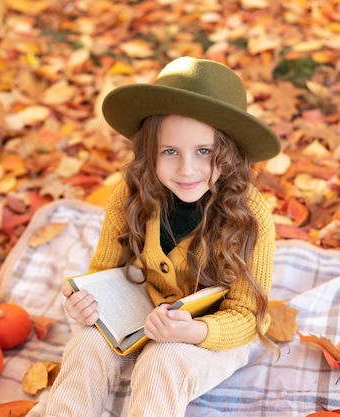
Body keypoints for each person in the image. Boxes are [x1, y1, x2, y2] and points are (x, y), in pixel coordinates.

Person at [45, 56, 281, 417]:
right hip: (142, 308)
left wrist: (194, 331)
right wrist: (87, 304)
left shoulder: (250, 215)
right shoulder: (130, 194)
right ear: (149, 152)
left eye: (204, 151)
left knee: (161, 360)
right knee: (87, 344)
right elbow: (104, 272)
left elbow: (248, 314)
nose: (187, 169)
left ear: (229, 153)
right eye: (170, 152)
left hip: (213, 331)